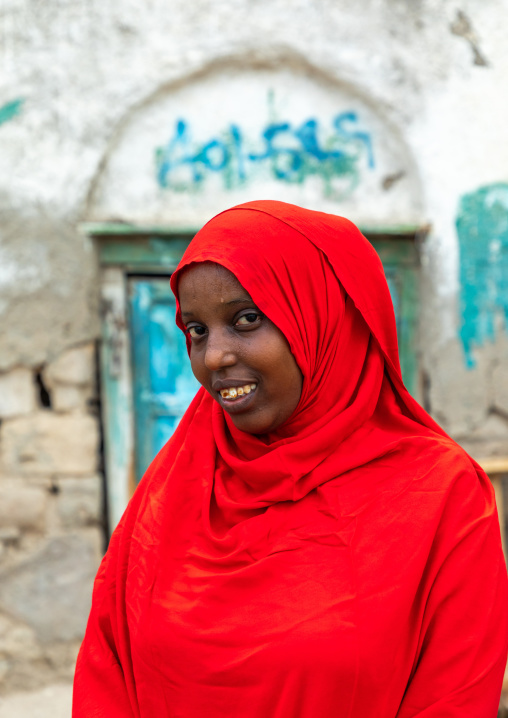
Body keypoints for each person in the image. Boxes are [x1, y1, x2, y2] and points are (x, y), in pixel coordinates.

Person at [73, 200, 508, 717]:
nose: (214, 357)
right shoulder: (177, 481)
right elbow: (107, 675)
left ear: (326, 318)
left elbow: (453, 698)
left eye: (246, 319)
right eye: (197, 331)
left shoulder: (439, 494)